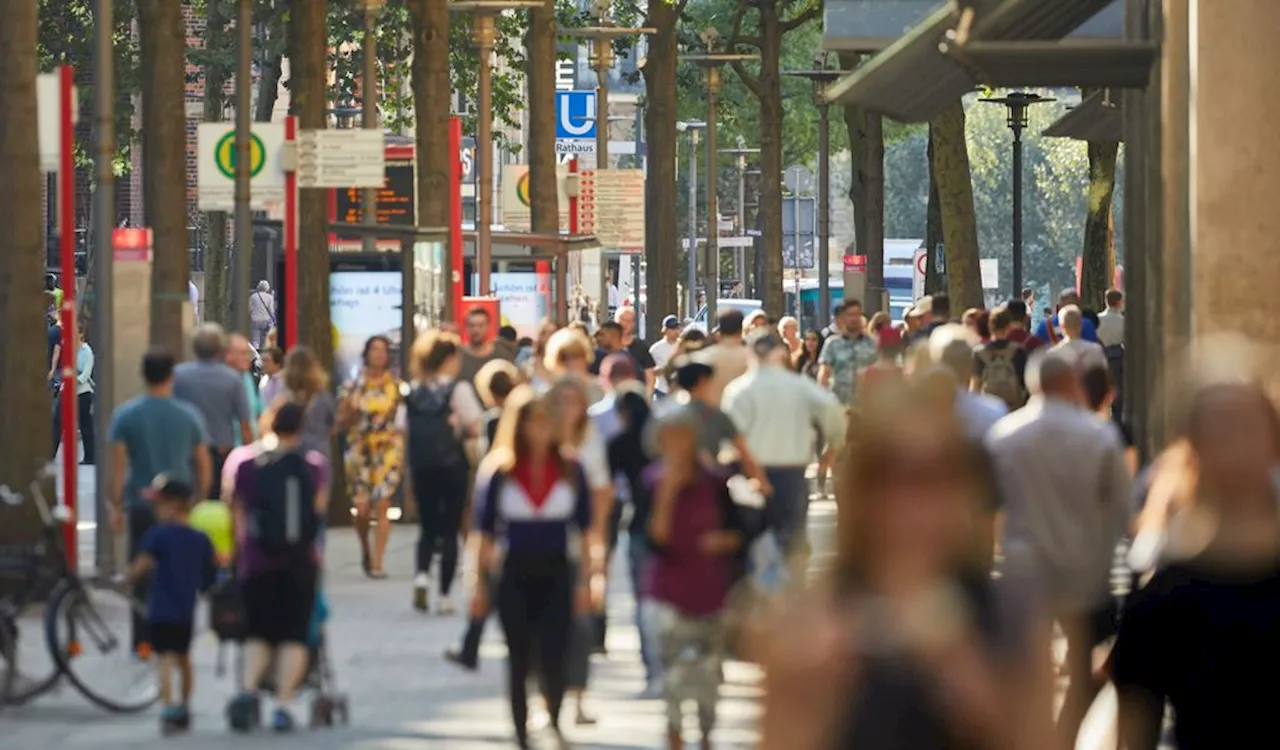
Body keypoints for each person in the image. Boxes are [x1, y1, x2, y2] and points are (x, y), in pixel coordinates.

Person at [1113, 369, 1280, 750]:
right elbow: (1134, 729)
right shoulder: (1162, 597)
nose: (1235, 444)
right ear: (1192, 448)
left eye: (1246, 426)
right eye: (1220, 430)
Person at [987, 350, 1130, 748]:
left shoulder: (1004, 435)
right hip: (1085, 565)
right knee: (1093, 663)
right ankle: (1066, 733)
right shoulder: (1099, 434)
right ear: (1071, 383)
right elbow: (1122, 506)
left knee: (1024, 665)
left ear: (1032, 384)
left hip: (1023, 568)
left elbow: (985, 503)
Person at [470, 386, 593, 750]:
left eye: (544, 422)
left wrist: (588, 581)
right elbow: (484, 534)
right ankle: (522, 734)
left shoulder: (571, 468)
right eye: (531, 423)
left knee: (555, 651)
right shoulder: (499, 472)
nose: (538, 431)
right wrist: (477, 585)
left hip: (558, 571)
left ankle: (554, 718)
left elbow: (586, 532)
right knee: (519, 655)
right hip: (513, 573)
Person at [224, 402, 328, 733]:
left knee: (257, 632)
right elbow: (318, 511)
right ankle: (283, 705)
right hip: (300, 563)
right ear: (301, 427)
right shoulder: (313, 465)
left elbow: (235, 510)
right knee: (294, 635)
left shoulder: (243, 462)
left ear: (267, 422)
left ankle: (248, 691)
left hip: (257, 562)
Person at [645, 403, 743, 750]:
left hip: (710, 590)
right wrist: (667, 493)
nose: (676, 444)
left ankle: (705, 736)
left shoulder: (715, 481)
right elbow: (654, 540)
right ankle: (674, 736)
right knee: (672, 676)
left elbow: (739, 531)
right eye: (668, 437)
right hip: (668, 592)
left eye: (683, 436)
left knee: (709, 677)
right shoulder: (652, 481)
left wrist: (724, 540)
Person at [108, 350, 213, 656]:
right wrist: (198, 499)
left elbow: (118, 468)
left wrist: (115, 505)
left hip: (141, 506)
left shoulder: (125, 415)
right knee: (177, 574)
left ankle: (142, 641)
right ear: (171, 376)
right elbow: (203, 464)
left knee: (140, 573)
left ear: (144, 375)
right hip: (179, 506)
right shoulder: (189, 415)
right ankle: (174, 640)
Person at [722, 331, 844, 558]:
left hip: (751, 474)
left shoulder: (738, 391)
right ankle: (793, 586)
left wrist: (752, 472)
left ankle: (757, 589)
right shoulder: (799, 387)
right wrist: (830, 454)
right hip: (792, 474)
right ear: (780, 354)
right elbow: (834, 416)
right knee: (793, 540)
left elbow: (730, 436)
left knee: (751, 541)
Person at [445, 358, 521, 670]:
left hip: (501, 504)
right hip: (521, 504)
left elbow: (491, 459)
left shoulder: (492, 421)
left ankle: (471, 645)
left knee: (488, 581)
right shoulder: (527, 414)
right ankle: (471, 645)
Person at [125, 475, 216, 734]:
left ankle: (168, 707)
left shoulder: (158, 536)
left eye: (159, 503)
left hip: (160, 610)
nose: (155, 509)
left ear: (174, 505)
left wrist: (126, 579)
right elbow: (209, 577)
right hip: (186, 611)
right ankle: (185, 705)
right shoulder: (200, 539)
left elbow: (140, 567)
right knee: (184, 658)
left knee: (164, 658)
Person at [406, 330, 483, 614]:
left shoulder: (413, 390)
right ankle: (444, 596)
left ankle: (422, 577)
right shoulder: (457, 389)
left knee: (427, 527)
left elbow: (404, 428)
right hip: (452, 465)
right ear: (449, 358)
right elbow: (475, 424)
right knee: (450, 528)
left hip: (422, 464)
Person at [337, 335, 405, 578]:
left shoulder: (395, 386)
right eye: (374, 349)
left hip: (387, 448)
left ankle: (378, 562)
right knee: (362, 508)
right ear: (367, 353)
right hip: (359, 448)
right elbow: (341, 422)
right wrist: (351, 408)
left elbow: (402, 420)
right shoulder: (353, 384)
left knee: (383, 503)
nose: (378, 354)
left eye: (383, 350)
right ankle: (365, 547)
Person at [174, 324, 252, 495]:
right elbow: (245, 425)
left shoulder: (178, 376)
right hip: (221, 453)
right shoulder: (233, 379)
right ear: (220, 350)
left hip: (187, 452)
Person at [818, 299, 878, 407]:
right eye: (850, 315)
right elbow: (824, 374)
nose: (854, 318)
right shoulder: (832, 344)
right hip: (839, 404)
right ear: (842, 318)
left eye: (857, 314)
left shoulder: (872, 344)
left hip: (866, 406)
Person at [52, 322, 96, 465]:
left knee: (85, 424)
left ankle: (90, 456)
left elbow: (86, 374)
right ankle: (50, 454)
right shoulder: (69, 349)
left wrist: (74, 381)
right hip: (66, 390)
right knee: (57, 421)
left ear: (81, 334)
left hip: (81, 392)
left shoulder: (86, 351)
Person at [972, 305, 1029, 411]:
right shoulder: (1018, 351)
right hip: (1013, 408)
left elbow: (975, 386)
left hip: (988, 410)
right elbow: (1025, 383)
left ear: (990, 326)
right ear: (1009, 326)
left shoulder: (979, 352)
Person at [700, 309, 752, 405]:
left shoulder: (705, 357)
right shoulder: (752, 358)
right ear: (741, 329)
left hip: (712, 412)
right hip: (742, 413)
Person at [226, 333, 262, 445]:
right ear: (229, 355)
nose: (248, 358)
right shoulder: (223, 380)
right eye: (243, 353)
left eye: (248, 353)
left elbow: (256, 412)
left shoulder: (247, 378)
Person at [460, 307, 512, 384]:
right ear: (466, 327)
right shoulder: (458, 356)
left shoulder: (501, 355)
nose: (476, 330)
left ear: (488, 326)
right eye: (472, 325)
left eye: (481, 325)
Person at [1033, 288, 1099, 343]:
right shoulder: (1086, 325)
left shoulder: (1045, 325)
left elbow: (1037, 350)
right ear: (1079, 307)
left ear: (1058, 307)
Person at [615, 306, 657, 393]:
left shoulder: (641, 347)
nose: (626, 324)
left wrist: (647, 399)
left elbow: (650, 377)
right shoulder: (605, 345)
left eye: (630, 321)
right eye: (623, 319)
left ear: (634, 323)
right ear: (616, 320)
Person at [649, 315, 683, 398]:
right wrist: (662, 370)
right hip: (662, 391)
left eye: (677, 328)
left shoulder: (683, 345)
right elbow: (649, 371)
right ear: (665, 330)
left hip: (680, 391)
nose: (676, 331)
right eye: (672, 328)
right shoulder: (655, 349)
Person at [248, 280, 275, 348]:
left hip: (255, 319)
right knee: (266, 338)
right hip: (266, 320)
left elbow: (249, 309)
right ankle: (265, 349)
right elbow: (271, 310)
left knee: (255, 339)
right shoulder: (270, 297)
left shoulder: (253, 297)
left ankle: (256, 350)